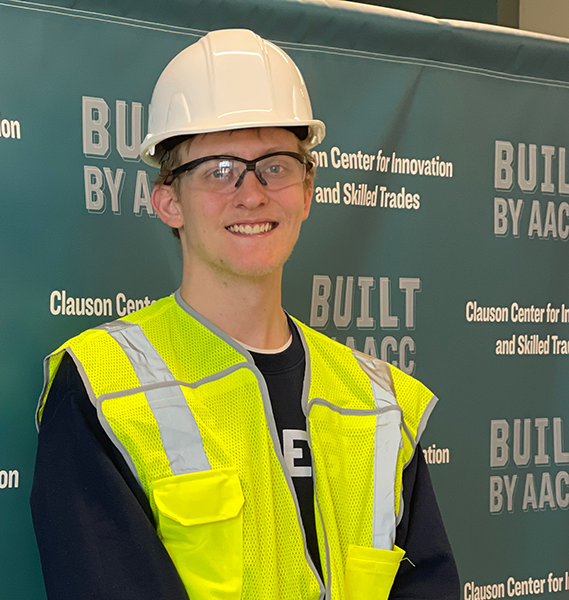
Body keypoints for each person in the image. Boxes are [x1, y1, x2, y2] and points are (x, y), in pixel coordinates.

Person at [30, 29, 458, 600]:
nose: (252, 194)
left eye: (275, 166)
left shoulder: (379, 404)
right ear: (167, 201)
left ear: (308, 191)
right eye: (218, 169)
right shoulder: (101, 389)